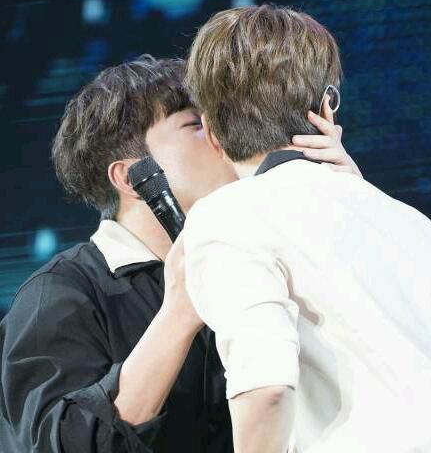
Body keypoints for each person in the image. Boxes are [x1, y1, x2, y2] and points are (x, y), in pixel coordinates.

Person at [0, 54, 361, 453]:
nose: (221, 135)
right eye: (195, 125)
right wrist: (177, 316)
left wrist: (351, 199)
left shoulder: (263, 258)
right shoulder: (60, 292)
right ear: (131, 178)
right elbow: (61, 444)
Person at [175, 5, 431, 453]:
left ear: (211, 132)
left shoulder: (228, 215)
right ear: (325, 108)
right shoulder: (427, 233)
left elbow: (266, 386)